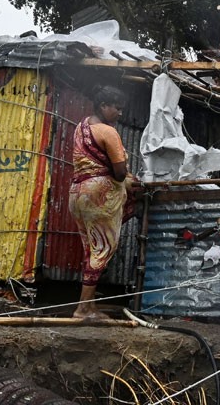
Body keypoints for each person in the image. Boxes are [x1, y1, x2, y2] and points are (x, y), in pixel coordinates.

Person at [69, 85, 141, 319]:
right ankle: (83, 309)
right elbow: (119, 173)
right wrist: (128, 178)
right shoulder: (108, 132)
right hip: (100, 195)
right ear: (103, 106)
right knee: (102, 249)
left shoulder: (81, 127)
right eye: (117, 109)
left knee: (91, 250)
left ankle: (88, 306)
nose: (120, 114)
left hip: (78, 193)